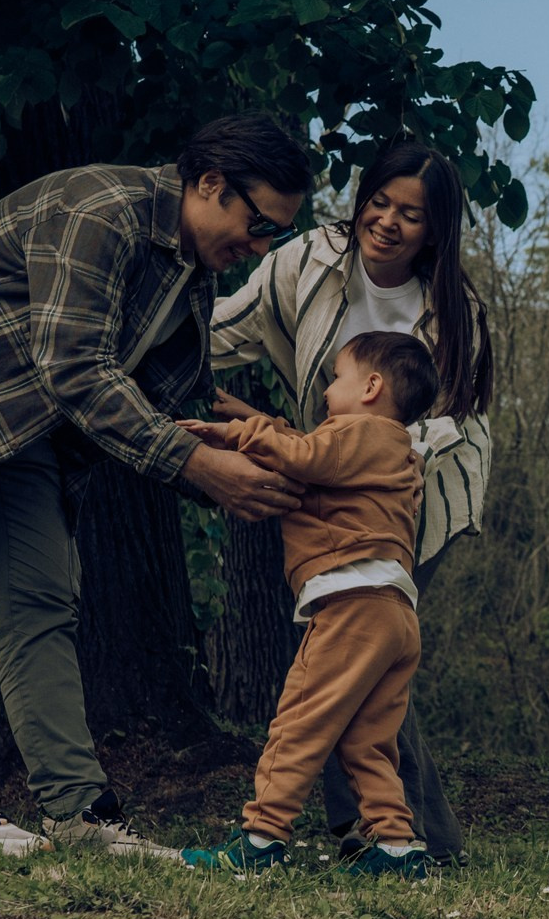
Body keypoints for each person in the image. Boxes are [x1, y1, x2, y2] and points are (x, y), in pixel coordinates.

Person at [0, 114, 314, 856]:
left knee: (39, 599)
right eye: (258, 225)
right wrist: (199, 467)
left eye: (274, 236)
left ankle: (78, 814)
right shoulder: (103, 211)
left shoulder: (185, 275)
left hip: (23, 419)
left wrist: (242, 458)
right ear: (210, 183)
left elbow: (149, 413)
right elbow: (76, 367)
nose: (258, 249)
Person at [208, 141, 493, 865]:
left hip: (419, 489)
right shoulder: (309, 259)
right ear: (362, 198)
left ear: (437, 230)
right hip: (339, 473)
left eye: (413, 215)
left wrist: (325, 453)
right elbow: (228, 326)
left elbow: (441, 428)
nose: (389, 222)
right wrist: (164, 356)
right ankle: (388, 840)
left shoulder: (456, 310)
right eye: (381, 202)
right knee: (366, 687)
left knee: (339, 669)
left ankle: (285, 834)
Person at [177, 332, 440, 878]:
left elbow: (307, 454)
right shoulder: (394, 450)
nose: (326, 392)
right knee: (370, 740)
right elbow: (315, 451)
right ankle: (396, 846)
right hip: (394, 614)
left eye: (337, 378)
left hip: (351, 609)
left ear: (371, 387)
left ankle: (261, 837)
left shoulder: (360, 432)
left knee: (300, 720)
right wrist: (262, 423)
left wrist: (239, 431)